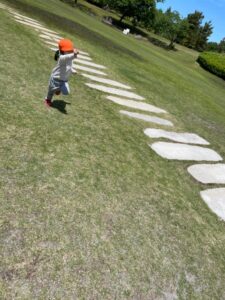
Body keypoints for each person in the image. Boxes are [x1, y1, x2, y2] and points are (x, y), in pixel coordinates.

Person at [44, 39, 79, 107]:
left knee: (66, 92)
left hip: (64, 79)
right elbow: (68, 57)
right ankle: (48, 100)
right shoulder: (62, 58)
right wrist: (74, 54)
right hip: (55, 78)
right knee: (51, 91)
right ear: (63, 50)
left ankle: (58, 89)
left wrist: (73, 70)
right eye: (68, 50)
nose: (70, 50)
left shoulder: (69, 59)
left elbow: (69, 66)